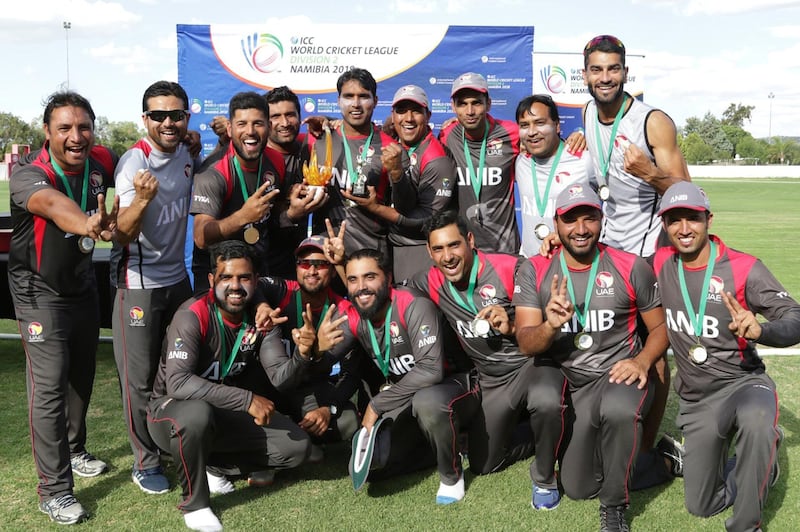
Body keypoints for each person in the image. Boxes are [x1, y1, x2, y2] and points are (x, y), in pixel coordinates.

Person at [515, 184, 668, 529]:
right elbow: (527, 343)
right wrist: (551, 325)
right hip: (572, 380)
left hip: (616, 372)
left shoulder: (630, 266)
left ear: (602, 219)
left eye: (590, 218)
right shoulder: (535, 269)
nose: (581, 229)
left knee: (618, 411)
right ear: (556, 223)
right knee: (579, 486)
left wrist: (642, 361)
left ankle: (614, 509)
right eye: (570, 220)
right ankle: (659, 460)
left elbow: (661, 330)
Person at [653, 181, 799, 532]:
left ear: (709, 219)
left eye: (693, 218)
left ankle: (747, 524)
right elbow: (614, 264)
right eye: (675, 220)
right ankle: (759, 463)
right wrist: (553, 247)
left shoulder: (745, 267)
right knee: (702, 505)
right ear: (664, 226)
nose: (684, 228)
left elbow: (795, 318)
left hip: (743, 383)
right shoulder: (658, 263)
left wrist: (762, 331)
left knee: (757, 418)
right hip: (698, 398)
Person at [580, 33, 692, 462]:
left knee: (653, 350)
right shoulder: (589, 113)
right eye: (596, 69)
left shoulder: (653, 121)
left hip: (645, 255)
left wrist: (649, 172)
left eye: (613, 69)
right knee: (608, 342)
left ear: (626, 73)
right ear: (585, 75)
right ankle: (611, 427)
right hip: (604, 252)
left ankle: (646, 448)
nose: (605, 77)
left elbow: (688, 194)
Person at [8, 91, 118, 525]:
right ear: (46, 132)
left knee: (82, 376)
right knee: (50, 386)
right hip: (37, 290)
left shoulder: (102, 160)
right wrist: (88, 223)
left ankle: (74, 451)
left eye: (84, 127)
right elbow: (54, 206)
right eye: (65, 129)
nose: (76, 137)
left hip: (81, 285)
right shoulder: (28, 175)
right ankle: (54, 491)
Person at [146, 240, 310, 531]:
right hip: (169, 410)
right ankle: (195, 505)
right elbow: (178, 382)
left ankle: (211, 465)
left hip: (221, 410)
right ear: (212, 280)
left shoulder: (261, 318)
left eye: (244, 278)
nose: (235, 286)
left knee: (296, 447)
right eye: (226, 278)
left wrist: (304, 354)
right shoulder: (192, 315)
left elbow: (281, 378)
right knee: (197, 414)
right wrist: (247, 400)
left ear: (256, 281)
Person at [408, 210, 566, 504]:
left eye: (454, 245)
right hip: (492, 380)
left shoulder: (509, 268)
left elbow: (548, 318)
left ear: (470, 241)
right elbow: (391, 297)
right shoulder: (429, 281)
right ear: (429, 252)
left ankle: (545, 478)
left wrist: (512, 326)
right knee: (485, 464)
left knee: (546, 400)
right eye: (439, 249)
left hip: (532, 365)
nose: (448, 256)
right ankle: (544, 433)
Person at [322, 248, 479, 504]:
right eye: (353, 280)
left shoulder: (412, 303)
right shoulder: (353, 314)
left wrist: (376, 404)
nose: (361, 287)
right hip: (408, 395)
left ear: (388, 276)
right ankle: (451, 444)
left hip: (456, 386)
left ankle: (451, 474)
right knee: (374, 467)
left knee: (427, 401)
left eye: (370, 277)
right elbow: (321, 362)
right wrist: (311, 351)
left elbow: (430, 370)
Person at [110, 80, 200, 495]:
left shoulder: (187, 151)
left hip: (178, 280)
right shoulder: (134, 162)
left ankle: (173, 443)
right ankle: (145, 462)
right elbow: (122, 235)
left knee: (180, 370)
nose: (168, 122)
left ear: (186, 117)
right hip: (139, 285)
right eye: (159, 115)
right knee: (140, 380)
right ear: (144, 118)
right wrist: (143, 200)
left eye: (176, 114)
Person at [256, 234, 360, 450]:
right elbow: (253, 285)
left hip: (307, 388)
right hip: (267, 386)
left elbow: (352, 372)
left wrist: (328, 408)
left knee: (348, 421)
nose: (311, 271)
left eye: (320, 264)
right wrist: (261, 306)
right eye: (304, 264)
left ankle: (295, 437)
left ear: (332, 271)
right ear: (296, 268)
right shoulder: (281, 290)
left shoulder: (343, 313)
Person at [190, 91, 290, 291]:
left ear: (269, 127)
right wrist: (243, 216)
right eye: (242, 124)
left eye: (258, 123)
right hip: (218, 274)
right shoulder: (214, 172)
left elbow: (274, 209)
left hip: (257, 268)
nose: (250, 131)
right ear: (229, 128)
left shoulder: (276, 160)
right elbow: (201, 237)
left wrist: (292, 207)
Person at [307, 68, 396, 256]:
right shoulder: (318, 138)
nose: (356, 104)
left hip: (370, 254)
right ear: (338, 101)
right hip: (324, 253)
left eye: (363, 96)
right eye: (348, 96)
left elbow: (405, 208)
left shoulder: (391, 148)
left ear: (376, 101)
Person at [439, 72, 521, 255]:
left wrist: (574, 138)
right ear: (453, 107)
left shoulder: (511, 133)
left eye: (476, 102)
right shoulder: (447, 135)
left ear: (488, 104)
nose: (469, 111)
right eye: (462, 104)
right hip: (465, 250)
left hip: (505, 249)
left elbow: (547, 146)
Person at [381, 84, 456, 281]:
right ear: (393, 116)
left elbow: (426, 220)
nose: (408, 118)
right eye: (401, 111)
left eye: (416, 111)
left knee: (417, 308)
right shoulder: (393, 142)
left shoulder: (436, 158)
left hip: (420, 251)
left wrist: (374, 208)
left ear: (428, 115)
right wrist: (330, 123)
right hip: (392, 247)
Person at [515, 94, 595, 257]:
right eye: (524, 125)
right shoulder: (520, 161)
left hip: (572, 262)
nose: (531, 132)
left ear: (557, 126)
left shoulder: (584, 160)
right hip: (529, 263)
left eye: (540, 123)